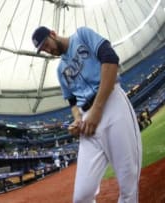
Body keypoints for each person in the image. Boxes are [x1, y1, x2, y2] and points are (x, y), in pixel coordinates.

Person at [32, 26, 142, 202]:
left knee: (128, 186)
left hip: (111, 103)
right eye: (43, 50)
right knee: (81, 196)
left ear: (53, 34)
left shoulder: (81, 35)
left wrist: (97, 109)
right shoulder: (60, 71)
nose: (48, 50)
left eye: (46, 44)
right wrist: (77, 120)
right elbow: (73, 102)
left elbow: (110, 59)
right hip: (87, 119)